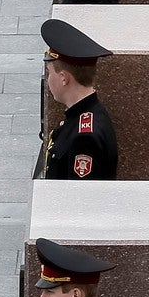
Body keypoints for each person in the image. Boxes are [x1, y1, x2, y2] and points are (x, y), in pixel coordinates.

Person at [38, 19, 117, 180]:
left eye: (49, 72)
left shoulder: (84, 138)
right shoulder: (86, 115)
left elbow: (78, 199)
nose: (48, 80)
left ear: (63, 78)